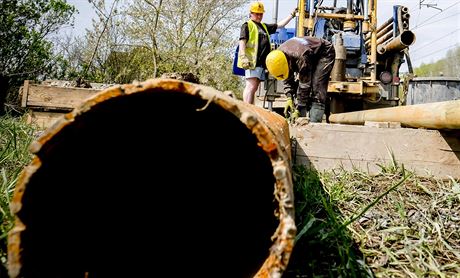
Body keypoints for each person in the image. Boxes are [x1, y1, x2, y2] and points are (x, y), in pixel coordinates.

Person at [238, 1, 298, 104]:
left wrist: (291, 15)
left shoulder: (263, 26)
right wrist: (243, 56)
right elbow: (242, 41)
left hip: (261, 63)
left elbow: (280, 25)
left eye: (260, 14)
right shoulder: (247, 25)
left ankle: (251, 109)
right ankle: (247, 109)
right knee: (251, 85)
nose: (259, 16)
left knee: (255, 86)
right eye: (256, 14)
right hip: (252, 61)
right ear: (251, 13)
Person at [265, 36, 335, 122]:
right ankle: (301, 116)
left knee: (317, 86)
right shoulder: (279, 56)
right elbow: (286, 77)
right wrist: (289, 97)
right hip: (308, 53)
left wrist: (299, 107)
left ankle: (314, 123)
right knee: (302, 91)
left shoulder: (301, 57)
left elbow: (305, 84)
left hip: (324, 52)